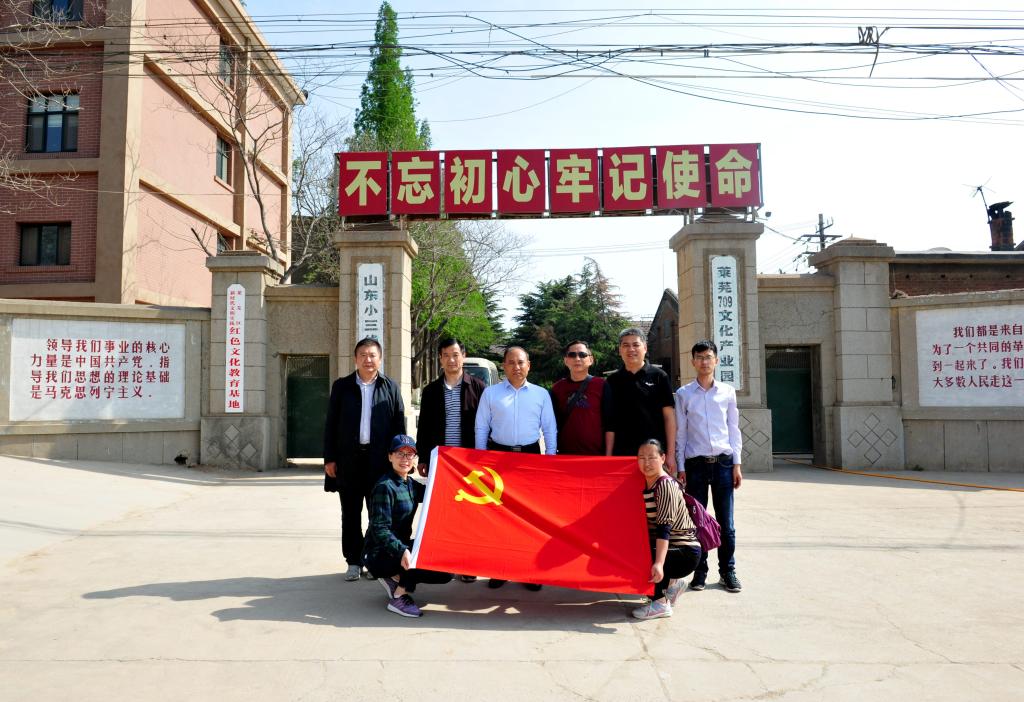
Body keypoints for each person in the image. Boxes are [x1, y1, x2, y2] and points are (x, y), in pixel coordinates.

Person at [322, 338, 406, 582]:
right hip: (348, 460)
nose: (368, 360)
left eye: (372, 355)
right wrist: (330, 458)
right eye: (363, 355)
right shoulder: (342, 387)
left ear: (380, 358)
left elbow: (399, 426)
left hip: (379, 461)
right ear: (355, 359)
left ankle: (372, 560)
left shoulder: (390, 387)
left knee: (378, 515)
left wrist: (401, 458)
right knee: (350, 513)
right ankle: (353, 561)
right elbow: (331, 424)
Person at [475, 345, 557, 590]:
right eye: (511, 362)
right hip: (498, 458)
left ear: (528, 365)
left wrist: (550, 460)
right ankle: (501, 568)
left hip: (530, 458)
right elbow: (481, 426)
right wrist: (480, 460)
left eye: (521, 362)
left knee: (529, 517)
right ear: (504, 366)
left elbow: (549, 428)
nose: (516, 367)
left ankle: (529, 572)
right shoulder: (491, 393)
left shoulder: (541, 394)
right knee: (499, 516)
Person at [416, 337, 487, 583]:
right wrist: (423, 457)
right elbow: (424, 427)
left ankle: (468, 565)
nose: (451, 360)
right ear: (440, 359)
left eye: (455, 354)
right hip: (442, 464)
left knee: (470, 515)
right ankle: (446, 562)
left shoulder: (478, 387)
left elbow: (486, 425)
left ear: (463, 356)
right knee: (444, 514)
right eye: (446, 355)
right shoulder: (431, 391)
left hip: (469, 463)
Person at [675, 339, 743, 593]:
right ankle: (700, 572)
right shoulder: (683, 394)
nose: (704, 362)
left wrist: (737, 464)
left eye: (708, 357)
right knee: (697, 521)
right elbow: (681, 433)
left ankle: (728, 571)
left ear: (716, 360)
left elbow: (734, 429)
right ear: (693, 361)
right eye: (700, 357)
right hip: (695, 466)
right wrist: (680, 466)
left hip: (724, 464)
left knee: (727, 523)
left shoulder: (727, 392)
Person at [363, 435, 453, 618]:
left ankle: (394, 576)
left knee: (446, 569)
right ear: (390, 456)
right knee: (422, 557)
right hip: (378, 553)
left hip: (399, 549)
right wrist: (402, 550)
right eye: (399, 453)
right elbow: (379, 528)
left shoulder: (410, 484)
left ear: (415, 459)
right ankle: (399, 596)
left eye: (409, 454)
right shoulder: (384, 487)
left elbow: (436, 492)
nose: (404, 459)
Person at [632, 439, 702, 620]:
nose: (646, 463)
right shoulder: (647, 482)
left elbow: (664, 529)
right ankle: (672, 584)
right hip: (674, 547)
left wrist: (658, 563)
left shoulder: (664, 485)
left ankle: (660, 603)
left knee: (641, 555)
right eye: (641, 458)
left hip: (684, 551)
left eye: (651, 457)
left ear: (663, 458)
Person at [607, 327, 677, 473]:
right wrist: (608, 457)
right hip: (622, 454)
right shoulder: (612, 381)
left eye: (635, 345)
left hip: (654, 453)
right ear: (620, 350)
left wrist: (670, 454)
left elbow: (669, 418)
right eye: (626, 345)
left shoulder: (659, 376)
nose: (631, 349)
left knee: (656, 489)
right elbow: (610, 422)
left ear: (645, 348)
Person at [549, 340, 613, 456]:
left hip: (596, 455)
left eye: (582, 355)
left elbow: (610, 424)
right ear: (566, 360)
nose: (577, 359)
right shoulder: (557, 388)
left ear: (591, 360)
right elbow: (551, 425)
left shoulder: (602, 385)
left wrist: (608, 456)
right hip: (565, 455)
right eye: (572, 355)